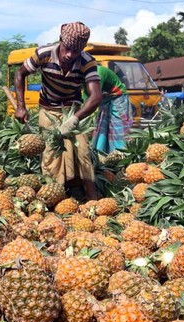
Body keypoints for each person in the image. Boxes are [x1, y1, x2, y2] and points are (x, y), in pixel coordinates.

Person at [14, 21, 102, 200]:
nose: (70, 54)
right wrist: (21, 106)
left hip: (74, 109)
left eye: (76, 51)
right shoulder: (44, 54)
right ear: (61, 39)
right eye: (67, 48)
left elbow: (95, 97)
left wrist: (75, 119)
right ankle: (53, 195)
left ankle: (92, 196)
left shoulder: (87, 62)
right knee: (52, 154)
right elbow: (20, 74)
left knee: (82, 151)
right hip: (49, 109)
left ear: (82, 48)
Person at [84, 65, 132, 154]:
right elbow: (84, 95)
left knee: (119, 132)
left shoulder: (97, 73)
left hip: (118, 98)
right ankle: (102, 156)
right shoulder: (83, 75)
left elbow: (93, 96)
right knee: (102, 130)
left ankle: (122, 156)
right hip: (105, 100)